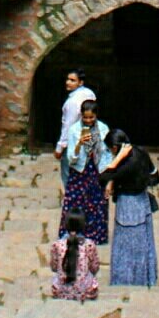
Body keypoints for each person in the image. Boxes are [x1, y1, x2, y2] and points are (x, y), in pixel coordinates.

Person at [102, 128, 159, 287]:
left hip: (128, 206)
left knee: (126, 247)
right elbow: (155, 175)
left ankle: (126, 280)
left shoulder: (125, 163)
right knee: (143, 243)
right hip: (142, 203)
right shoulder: (141, 152)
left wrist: (117, 160)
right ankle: (145, 278)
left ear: (114, 148)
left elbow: (102, 178)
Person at [61, 97, 111, 244]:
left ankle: (95, 235)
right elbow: (71, 158)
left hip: (96, 169)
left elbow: (107, 153)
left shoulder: (103, 129)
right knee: (77, 202)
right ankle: (73, 232)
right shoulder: (74, 130)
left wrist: (108, 177)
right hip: (79, 171)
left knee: (96, 202)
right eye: (85, 117)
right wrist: (79, 144)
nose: (88, 120)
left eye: (91, 117)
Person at [55, 69, 95, 190]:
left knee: (68, 173)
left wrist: (60, 146)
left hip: (74, 139)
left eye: (72, 80)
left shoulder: (73, 102)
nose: (68, 82)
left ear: (80, 82)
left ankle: (71, 201)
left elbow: (68, 124)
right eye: (68, 79)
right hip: (88, 136)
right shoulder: (89, 94)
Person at [49, 208, 100, 301]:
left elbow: (54, 267)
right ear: (83, 225)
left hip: (61, 291)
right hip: (85, 292)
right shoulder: (89, 244)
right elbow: (94, 268)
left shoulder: (57, 245)